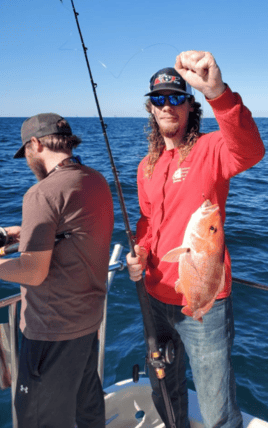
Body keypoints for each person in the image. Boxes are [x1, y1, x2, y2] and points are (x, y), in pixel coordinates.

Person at [126, 51, 265, 428]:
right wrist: (140, 252)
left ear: (190, 105)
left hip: (205, 303)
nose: (167, 106)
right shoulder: (146, 166)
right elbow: (150, 223)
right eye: (159, 99)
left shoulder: (211, 149)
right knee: (165, 393)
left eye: (175, 98)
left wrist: (218, 92)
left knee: (217, 406)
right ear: (151, 109)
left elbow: (251, 150)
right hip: (155, 297)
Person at [0, 113, 114, 428]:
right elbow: (75, 232)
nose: (26, 161)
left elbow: (33, 272)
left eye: (25, 153)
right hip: (88, 323)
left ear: (35, 144)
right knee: (87, 413)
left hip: (50, 333)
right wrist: (22, 232)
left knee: (37, 419)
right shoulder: (95, 180)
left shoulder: (42, 193)